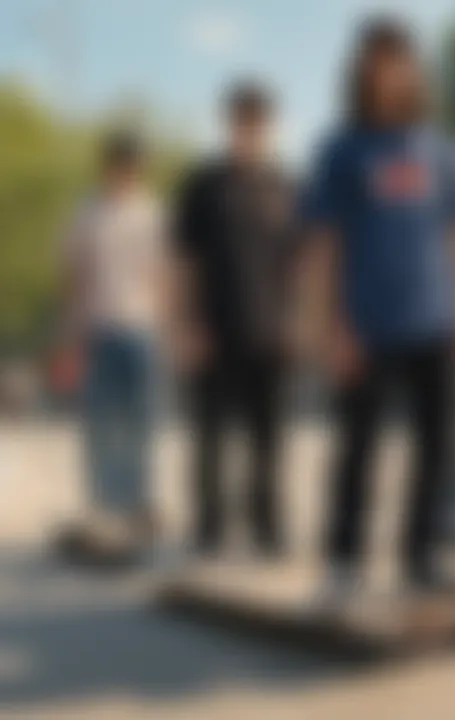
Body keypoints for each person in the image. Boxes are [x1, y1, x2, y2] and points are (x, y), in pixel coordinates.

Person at [303, 18, 455, 598]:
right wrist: (330, 327)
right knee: (358, 450)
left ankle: (421, 559)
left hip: (436, 319)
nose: (389, 69)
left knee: (437, 449)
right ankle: (343, 564)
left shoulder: (441, 151)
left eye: (399, 58)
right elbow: (323, 247)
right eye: (377, 59)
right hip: (366, 325)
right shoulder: (341, 150)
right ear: (362, 70)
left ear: (414, 69)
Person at [173, 82, 295, 556]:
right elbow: (183, 262)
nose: (251, 130)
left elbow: (300, 263)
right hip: (214, 331)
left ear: (269, 126)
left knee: (269, 442)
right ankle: (210, 530)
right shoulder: (203, 186)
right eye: (242, 120)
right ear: (228, 124)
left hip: (270, 333)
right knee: (211, 440)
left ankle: (268, 528)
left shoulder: (285, 186)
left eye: (259, 121)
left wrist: (298, 323)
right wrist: (186, 326)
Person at [60, 132, 165, 550]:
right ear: (108, 167)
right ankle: (103, 505)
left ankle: (136, 503)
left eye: (134, 167)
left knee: (142, 420)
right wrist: (71, 327)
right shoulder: (88, 212)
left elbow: (163, 272)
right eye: (121, 165)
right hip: (100, 328)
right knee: (102, 421)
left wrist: (169, 326)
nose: (127, 174)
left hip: (142, 329)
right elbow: (74, 271)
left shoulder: (152, 213)